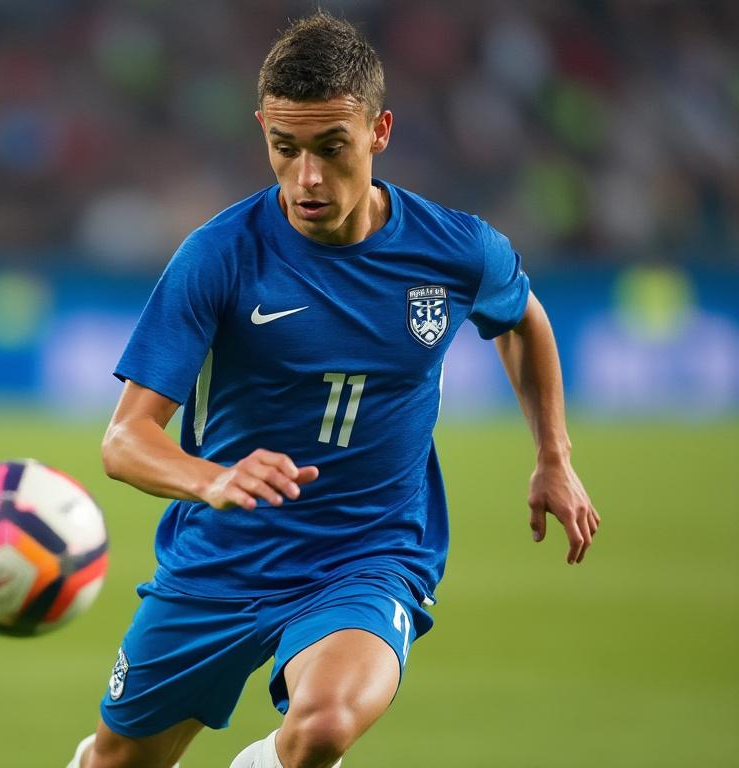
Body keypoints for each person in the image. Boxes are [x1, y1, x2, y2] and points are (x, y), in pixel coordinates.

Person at [66, 12, 600, 768]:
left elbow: (522, 321)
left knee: (321, 729)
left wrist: (554, 453)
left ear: (379, 131)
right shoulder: (219, 256)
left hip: (371, 553)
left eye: (331, 147)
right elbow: (125, 441)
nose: (306, 176)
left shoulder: (455, 250)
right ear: (262, 130)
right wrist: (213, 479)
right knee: (120, 761)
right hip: (223, 558)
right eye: (284, 149)